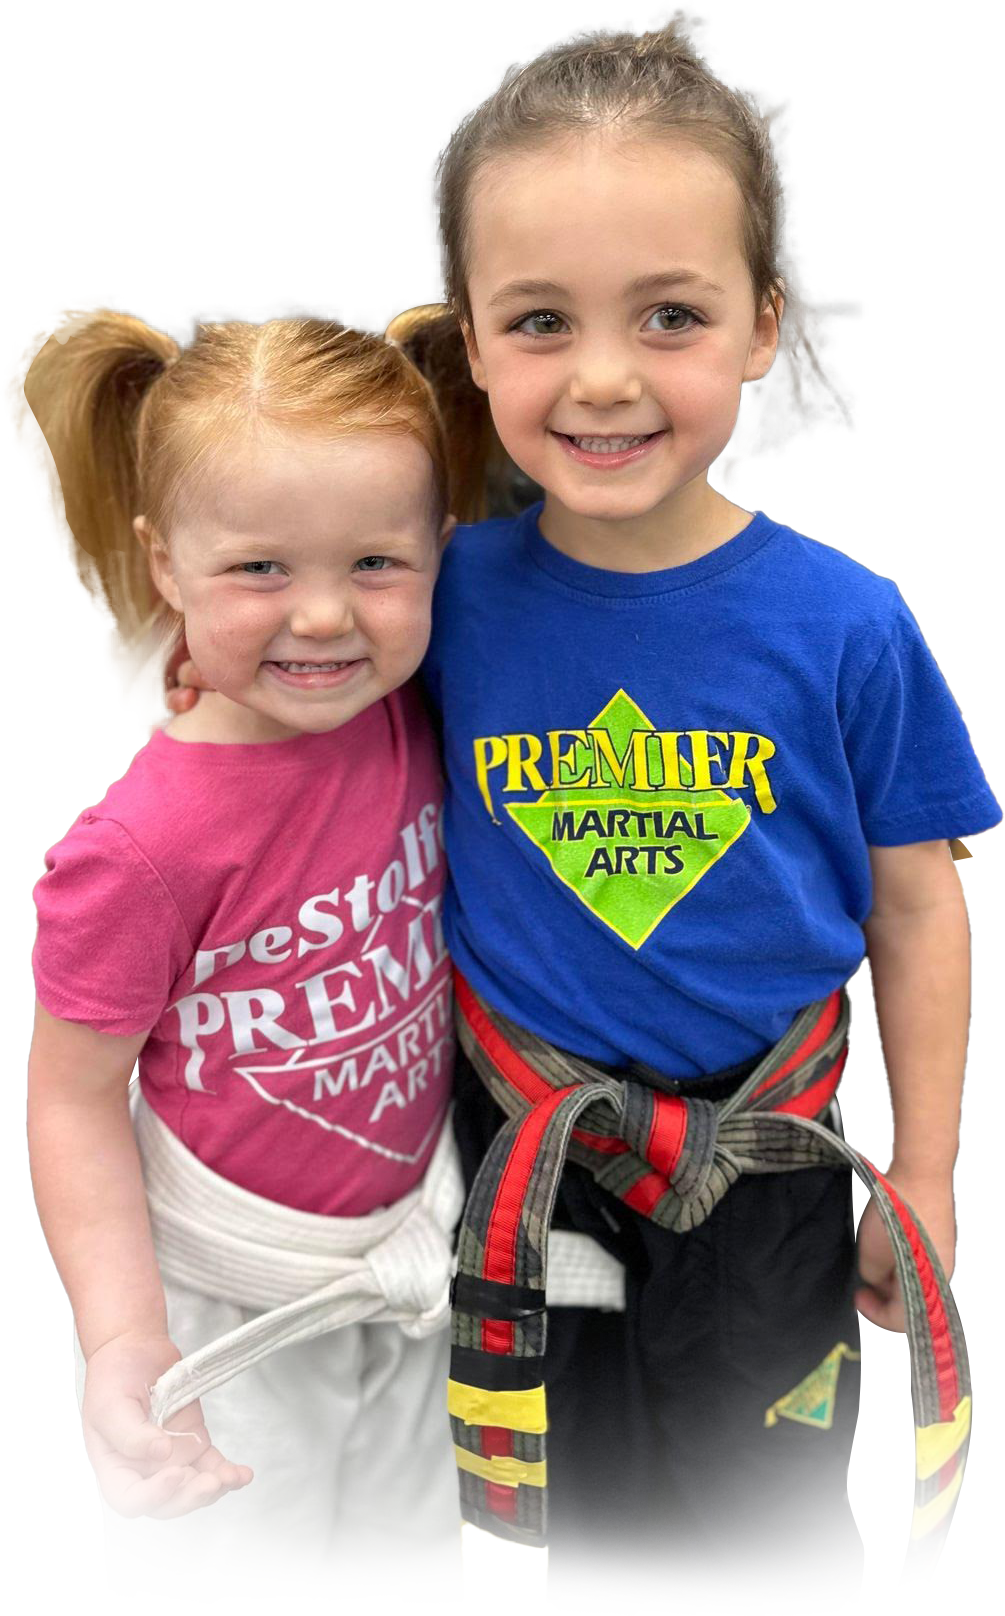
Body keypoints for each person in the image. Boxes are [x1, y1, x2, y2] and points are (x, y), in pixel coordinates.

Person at [165, 22, 1002, 1616]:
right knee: (557, 1536)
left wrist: (929, 1182)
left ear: (762, 328)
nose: (603, 374)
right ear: (471, 343)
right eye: (541, 321)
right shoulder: (440, 599)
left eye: (670, 316)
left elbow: (916, 906)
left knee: (768, 1534)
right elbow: (307, 743)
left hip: (770, 1179)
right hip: (520, 1168)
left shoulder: (846, 626)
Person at [21, 310, 465, 1601]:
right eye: (260, 569)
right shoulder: (140, 850)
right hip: (222, 1321)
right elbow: (70, 1094)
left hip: (403, 1273)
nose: (324, 617)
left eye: (376, 562)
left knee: (429, 1583)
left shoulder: (414, 718)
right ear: (167, 565)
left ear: (438, 550)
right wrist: (122, 1341)